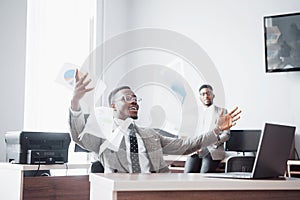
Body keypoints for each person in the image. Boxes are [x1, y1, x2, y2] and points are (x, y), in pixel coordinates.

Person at [69, 69, 241, 173]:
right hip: (122, 189)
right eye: (127, 98)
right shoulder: (105, 134)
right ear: (113, 105)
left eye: (136, 98)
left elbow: (186, 145)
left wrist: (217, 130)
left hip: (154, 187)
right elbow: (78, 137)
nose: (134, 101)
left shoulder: (150, 134)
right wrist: (75, 102)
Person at [184, 84, 230, 173]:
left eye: (208, 93)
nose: (206, 96)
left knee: (203, 175)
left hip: (212, 149)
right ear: (200, 97)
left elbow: (226, 135)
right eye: (203, 94)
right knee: (187, 174)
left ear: (213, 95)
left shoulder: (222, 112)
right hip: (196, 150)